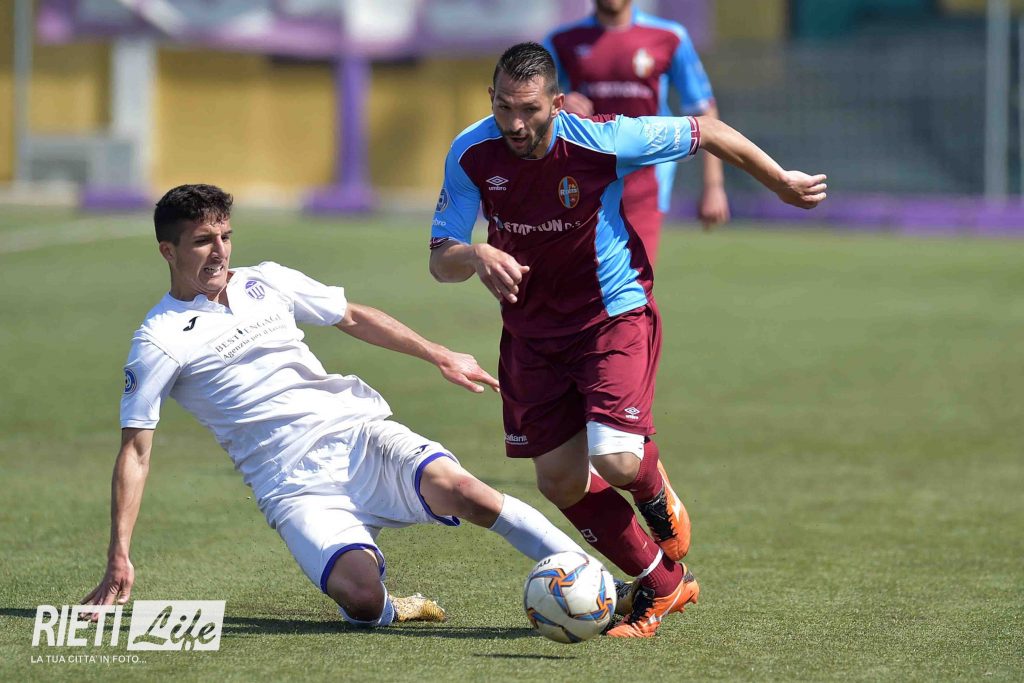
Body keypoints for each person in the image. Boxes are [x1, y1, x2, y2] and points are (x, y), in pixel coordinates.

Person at [428, 42, 825, 637]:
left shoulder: (603, 139)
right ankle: (664, 585)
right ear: (491, 98)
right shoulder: (470, 152)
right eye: (504, 107)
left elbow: (709, 131)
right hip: (531, 333)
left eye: (530, 109)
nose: (515, 123)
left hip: (610, 315)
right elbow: (441, 259)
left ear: (557, 103)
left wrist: (779, 183)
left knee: (615, 460)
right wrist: (476, 254)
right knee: (559, 481)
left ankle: (654, 491)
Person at [82, 183, 592, 628]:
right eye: (202, 241)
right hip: (291, 485)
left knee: (468, 492)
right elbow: (136, 453)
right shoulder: (160, 339)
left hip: (357, 435)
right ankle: (391, 606)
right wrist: (118, 556)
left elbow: (350, 316)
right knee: (363, 599)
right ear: (168, 251)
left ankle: (594, 579)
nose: (220, 252)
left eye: (226, 236)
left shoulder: (266, 280)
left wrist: (438, 354)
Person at [543, 0, 729, 263]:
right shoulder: (561, 41)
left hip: (646, 180)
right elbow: (533, 102)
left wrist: (713, 185)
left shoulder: (669, 37)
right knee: (580, 277)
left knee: (634, 277)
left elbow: (703, 109)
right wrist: (558, 104)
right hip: (584, 180)